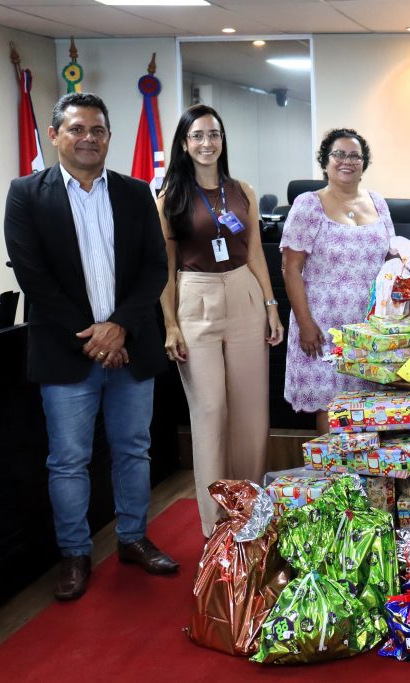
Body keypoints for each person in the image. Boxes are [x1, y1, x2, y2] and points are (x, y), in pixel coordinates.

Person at [4, 93, 179, 601]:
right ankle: (76, 553)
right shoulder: (25, 194)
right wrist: (95, 336)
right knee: (68, 460)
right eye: (76, 129)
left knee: (133, 450)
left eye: (97, 130)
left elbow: (154, 268)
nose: (88, 138)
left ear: (108, 137)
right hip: (66, 352)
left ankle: (132, 539)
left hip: (130, 347)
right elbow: (34, 278)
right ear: (56, 135)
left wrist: (120, 327)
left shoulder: (133, 193)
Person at [157, 104, 284, 537]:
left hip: (244, 292)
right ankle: (216, 527)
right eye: (198, 136)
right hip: (195, 298)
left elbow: (254, 255)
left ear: (222, 140)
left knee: (252, 413)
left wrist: (270, 305)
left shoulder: (242, 190)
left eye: (214, 134)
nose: (207, 143)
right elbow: (166, 268)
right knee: (210, 411)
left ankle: (250, 512)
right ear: (184, 144)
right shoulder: (170, 198)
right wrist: (171, 324)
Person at [281, 128, 410, 432]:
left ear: (364, 164)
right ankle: (335, 476)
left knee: (367, 407)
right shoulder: (308, 205)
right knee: (331, 406)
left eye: (355, 155)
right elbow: (290, 268)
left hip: (369, 327)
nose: (346, 161)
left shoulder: (378, 203)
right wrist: (306, 324)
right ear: (325, 161)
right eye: (339, 154)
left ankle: (365, 478)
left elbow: (388, 262)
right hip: (323, 325)